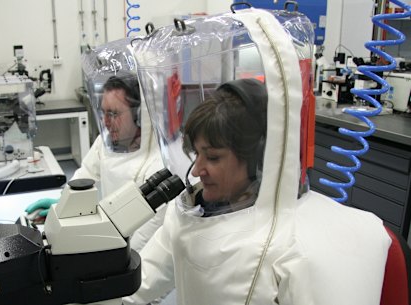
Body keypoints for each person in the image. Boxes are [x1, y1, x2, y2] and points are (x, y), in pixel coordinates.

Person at [122, 78, 391, 305]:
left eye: (213, 158)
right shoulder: (189, 215)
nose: (196, 171)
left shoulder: (292, 243)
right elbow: (140, 282)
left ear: (256, 160)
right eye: (197, 155)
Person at [25, 72, 167, 253]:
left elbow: (149, 233)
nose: (106, 122)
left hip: (136, 254)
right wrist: (62, 205)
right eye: (103, 113)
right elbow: (84, 176)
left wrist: (117, 256)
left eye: (113, 113)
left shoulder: (159, 160)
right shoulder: (106, 143)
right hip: (105, 232)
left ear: (139, 115)